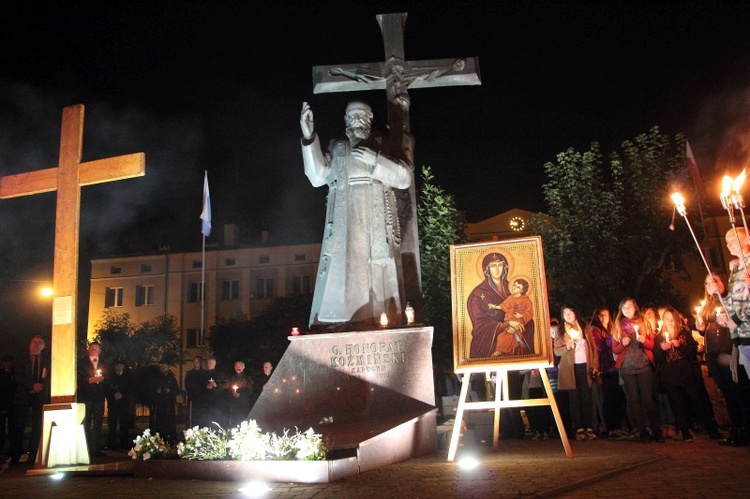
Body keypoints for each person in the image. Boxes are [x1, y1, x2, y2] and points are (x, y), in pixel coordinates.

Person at [300, 100, 413, 328]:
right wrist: (309, 137)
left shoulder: (383, 144)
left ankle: (382, 318)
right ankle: (339, 319)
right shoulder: (338, 147)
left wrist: (375, 160)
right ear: (345, 121)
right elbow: (317, 176)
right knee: (343, 270)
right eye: (352, 116)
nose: (357, 120)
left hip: (376, 223)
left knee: (378, 268)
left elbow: (404, 177)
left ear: (370, 119)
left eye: (361, 115)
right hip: (345, 223)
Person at [696, 271, 750, 446]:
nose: (711, 285)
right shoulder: (708, 305)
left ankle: (745, 430)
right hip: (712, 353)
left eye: (714, 281)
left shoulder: (729, 300)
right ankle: (735, 429)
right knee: (726, 393)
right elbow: (705, 329)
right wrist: (700, 327)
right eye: (707, 283)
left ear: (723, 283)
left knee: (737, 391)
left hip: (727, 350)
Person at [654, 306, 722, 442]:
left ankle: (712, 430)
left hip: (686, 374)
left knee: (698, 402)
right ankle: (685, 432)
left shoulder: (684, 333)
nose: (670, 322)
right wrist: (661, 349)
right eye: (667, 320)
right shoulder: (659, 337)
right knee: (677, 404)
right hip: (670, 376)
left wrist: (681, 346)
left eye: (672, 319)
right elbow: (658, 359)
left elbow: (692, 352)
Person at [611, 297, 662, 443]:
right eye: (624, 307)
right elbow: (615, 349)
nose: (627, 309)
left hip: (643, 366)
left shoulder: (644, 323)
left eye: (630, 306)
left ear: (635, 308)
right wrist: (623, 343)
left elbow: (652, 345)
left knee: (648, 399)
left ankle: (656, 429)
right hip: (627, 369)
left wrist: (643, 341)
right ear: (621, 310)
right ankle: (642, 431)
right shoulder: (617, 327)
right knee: (634, 400)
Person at [720, 227, 750, 445]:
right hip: (740, 337)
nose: (729, 244)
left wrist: (737, 320)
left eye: (732, 240)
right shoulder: (736, 267)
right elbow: (733, 300)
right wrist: (725, 317)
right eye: (727, 241)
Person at [467, 253, 528, 358]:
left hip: (516, 336)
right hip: (490, 343)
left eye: (500, 265)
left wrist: (518, 324)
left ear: (505, 267)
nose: (497, 269)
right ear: (487, 269)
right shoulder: (477, 294)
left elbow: (526, 311)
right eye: (493, 266)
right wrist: (505, 325)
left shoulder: (514, 289)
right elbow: (479, 324)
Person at [554, 306, 599, 440]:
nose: (567, 316)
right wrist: (566, 348)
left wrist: (595, 365)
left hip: (585, 366)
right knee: (574, 399)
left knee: (587, 397)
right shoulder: (560, 331)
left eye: (570, 312)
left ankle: (589, 427)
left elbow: (593, 348)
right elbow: (556, 351)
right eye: (564, 314)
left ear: (575, 313)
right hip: (570, 368)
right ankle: (578, 428)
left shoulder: (584, 328)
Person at [10, 337, 49, 465]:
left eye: (39, 343)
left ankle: (33, 455)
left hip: (38, 398)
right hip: (23, 397)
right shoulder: (22, 358)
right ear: (29, 345)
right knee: (19, 426)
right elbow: (18, 376)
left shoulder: (46, 361)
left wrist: (40, 386)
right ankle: (15, 456)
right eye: (34, 342)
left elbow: (48, 376)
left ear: (43, 347)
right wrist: (32, 386)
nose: (36, 344)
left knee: (37, 426)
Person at [490, 278, 535, 357]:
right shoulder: (510, 298)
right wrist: (495, 307)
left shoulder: (525, 300)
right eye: (514, 285)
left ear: (522, 290)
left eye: (518, 287)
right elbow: (503, 306)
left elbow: (530, 312)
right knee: (502, 336)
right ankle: (501, 351)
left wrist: (521, 315)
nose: (514, 287)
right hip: (509, 320)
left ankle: (501, 351)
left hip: (519, 321)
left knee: (509, 335)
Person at [77, 341, 106, 456]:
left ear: (99, 350)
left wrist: (102, 380)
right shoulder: (82, 363)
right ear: (89, 350)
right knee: (86, 422)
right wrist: (90, 380)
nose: (94, 349)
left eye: (96, 348)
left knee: (98, 423)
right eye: (92, 348)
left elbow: (108, 378)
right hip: (87, 396)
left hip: (99, 397)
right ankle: (86, 448)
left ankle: (96, 449)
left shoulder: (104, 363)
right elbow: (78, 378)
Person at [105, 357, 133, 450]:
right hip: (113, 404)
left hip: (124, 405)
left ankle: (124, 445)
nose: (118, 367)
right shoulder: (111, 376)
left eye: (120, 365)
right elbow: (108, 388)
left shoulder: (128, 376)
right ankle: (111, 444)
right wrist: (114, 394)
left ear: (123, 366)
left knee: (124, 424)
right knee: (112, 424)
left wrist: (122, 395)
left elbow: (130, 389)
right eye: (117, 365)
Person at [149, 359, 179, 440]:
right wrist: (156, 391)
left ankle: (170, 440)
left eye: (164, 367)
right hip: (158, 406)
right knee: (158, 425)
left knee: (169, 424)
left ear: (168, 368)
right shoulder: (155, 378)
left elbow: (177, 391)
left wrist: (170, 391)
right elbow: (150, 390)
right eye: (161, 367)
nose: (163, 368)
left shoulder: (172, 379)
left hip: (168, 406)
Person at [224, 361, 253, 428]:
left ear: (243, 367)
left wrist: (240, 395)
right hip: (234, 404)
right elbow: (229, 389)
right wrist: (232, 394)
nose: (238, 367)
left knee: (242, 422)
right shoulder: (233, 377)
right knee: (234, 423)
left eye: (240, 366)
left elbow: (250, 390)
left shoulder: (247, 378)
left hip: (243, 404)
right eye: (236, 366)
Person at [0, 354, 16, 455]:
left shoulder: (15, 373)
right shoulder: (1, 373)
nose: (7, 364)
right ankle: (2, 448)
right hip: (2, 403)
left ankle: (13, 448)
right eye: (5, 362)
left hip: (13, 403)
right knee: (1, 428)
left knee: (13, 428)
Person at [184, 355, 204, 428]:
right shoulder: (189, 374)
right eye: (195, 361)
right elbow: (187, 385)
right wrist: (192, 394)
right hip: (192, 399)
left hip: (202, 399)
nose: (196, 363)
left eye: (198, 361)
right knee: (191, 417)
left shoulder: (204, 373)